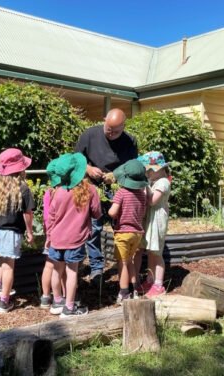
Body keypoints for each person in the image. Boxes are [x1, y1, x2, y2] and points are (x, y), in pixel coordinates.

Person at [74, 108, 138, 285]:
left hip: (117, 188)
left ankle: (123, 264)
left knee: (121, 226)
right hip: (92, 186)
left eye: (116, 131)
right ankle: (96, 268)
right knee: (94, 228)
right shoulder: (89, 134)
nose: (110, 133)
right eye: (108, 129)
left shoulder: (130, 141)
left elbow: (132, 166)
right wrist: (88, 169)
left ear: (123, 127)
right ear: (104, 121)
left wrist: (115, 175)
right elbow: (76, 158)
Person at [45, 153, 101, 317]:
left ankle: (57, 302)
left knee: (57, 271)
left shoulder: (58, 192)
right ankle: (69, 308)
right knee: (72, 273)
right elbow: (97, 213)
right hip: (75, 240)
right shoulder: (90, 190)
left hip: (56, 238)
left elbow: (51, 218)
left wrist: (49, 237)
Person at [0, 148, 35, 313]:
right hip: (10, 232)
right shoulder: (23, 188)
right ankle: (4, 302)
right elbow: (28, 214)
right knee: (9, 266)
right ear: (20, 168)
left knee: (3, 259)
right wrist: (30, 232)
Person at [108, 159, 148, 304]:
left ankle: (124, 293)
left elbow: (112, 212)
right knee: (130, 261)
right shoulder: (142, 195)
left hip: (123, 232)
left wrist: (113, 209)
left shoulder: (121, 193)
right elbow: (142, 214)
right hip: (137, 233)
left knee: (122, 263)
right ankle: (134, 289)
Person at [136, 151, 171, 298]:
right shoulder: (154, 182)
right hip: (150, 219)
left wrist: (144, 187)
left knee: (156, 254)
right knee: (150, 251)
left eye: (148, 170)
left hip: (157, 220)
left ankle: (158, 284)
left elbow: (152, 201)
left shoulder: (163, 182)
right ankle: (150, 280)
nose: (147, 173)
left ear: (157, 169)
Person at [38, 173, 66, 309]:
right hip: (62, 235)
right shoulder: (65, 193)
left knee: (49, 265)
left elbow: (46, 216)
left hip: (50, 233)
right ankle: (62, 297)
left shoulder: (48, 193)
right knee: (62, 268)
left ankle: (45, 296)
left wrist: (48, 234)